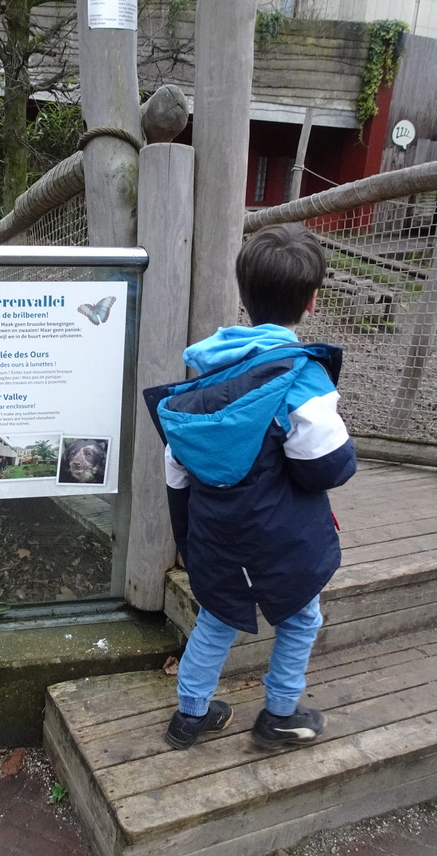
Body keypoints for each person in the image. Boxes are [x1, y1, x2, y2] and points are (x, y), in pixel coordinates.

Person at [145, 223, 357, 751]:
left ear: (243, 296)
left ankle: (190, 716)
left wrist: (191, 539)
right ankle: (279, 714)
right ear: (311, 301)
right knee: (301, 617)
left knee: (216, 618)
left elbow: (177, 470)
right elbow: (326, 466)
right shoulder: (300, 376)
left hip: (218, 531)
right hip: (280, 535)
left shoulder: (207, 374)